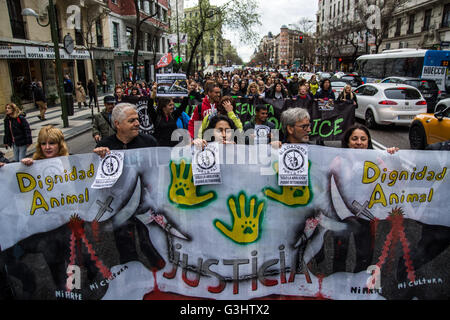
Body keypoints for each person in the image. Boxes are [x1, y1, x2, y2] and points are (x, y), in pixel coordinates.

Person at [93, 103, 158, 157]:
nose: (137, 123)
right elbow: (93, 169)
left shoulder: (149, 142)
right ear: (117, 124)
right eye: (132, 120)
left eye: (137, 119)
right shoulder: (104, 145)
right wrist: (98, 156)